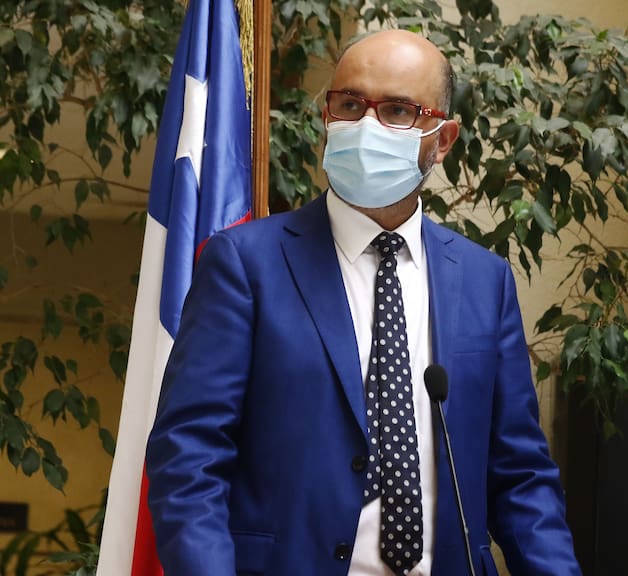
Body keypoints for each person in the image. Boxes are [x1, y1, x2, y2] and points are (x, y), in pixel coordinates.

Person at [145, 29, 581, 576]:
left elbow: (520, 477)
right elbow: (189, 456)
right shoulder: (245, 263)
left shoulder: (484, 281)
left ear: (442, 140)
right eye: (350, 104)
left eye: (398, 110)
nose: (365, 126)